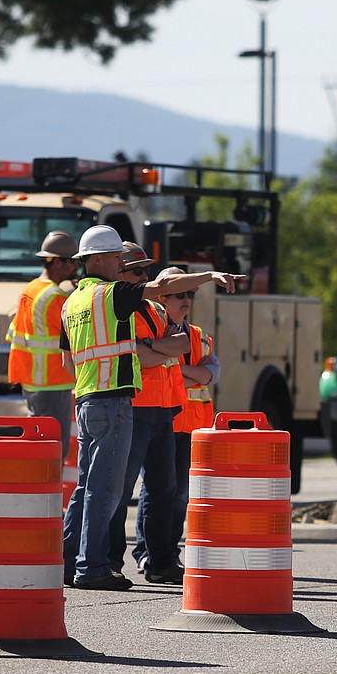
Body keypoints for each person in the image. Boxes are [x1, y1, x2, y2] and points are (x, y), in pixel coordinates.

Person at [60, 225, 244, 590]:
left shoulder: (72, 303)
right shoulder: (111, 295)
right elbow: (161, 289)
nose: (121, 265)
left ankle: (70, 561)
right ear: (97, 259)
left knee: (90, 487)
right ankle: (93, 566)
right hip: (114, 398)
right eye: (117, 259)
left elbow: (69, 362)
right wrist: (209, 275)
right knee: (106, 490)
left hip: (88, 397)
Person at [107, 244, 188, 584]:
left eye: (146, 271)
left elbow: (182, 343)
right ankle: (109, 560)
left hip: (163, 409)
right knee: (119, 490)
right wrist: (160, 348)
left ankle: (160, 562)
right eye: (137, 272)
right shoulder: (119, 311)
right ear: (119, 275)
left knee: (162, 489)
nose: (145, 277)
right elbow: (143, 357)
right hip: (135, 407)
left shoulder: (154, 310)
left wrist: (156, 348)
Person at [133, 266, 219, 574]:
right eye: (179, 294)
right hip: (162, 417)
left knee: (178, 494)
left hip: (190, 426)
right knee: (154, 491)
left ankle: (168, 551)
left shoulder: (197, 336)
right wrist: (186, 369)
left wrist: (174, 362)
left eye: (190, 294)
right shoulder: (152, 327)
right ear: (161, 297)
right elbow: (143, 359)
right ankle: (147, 552)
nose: (186, 300)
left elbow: (212, 374)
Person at [7, 230, 79, 455]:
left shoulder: (31, 289)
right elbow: (75, 335)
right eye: (71, 262)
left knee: (39, 447)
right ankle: (46, 491)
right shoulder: (56, 297)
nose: (75, 267)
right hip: (52, 381)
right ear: (57, 262)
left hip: (32, 380)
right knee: (53, 450)